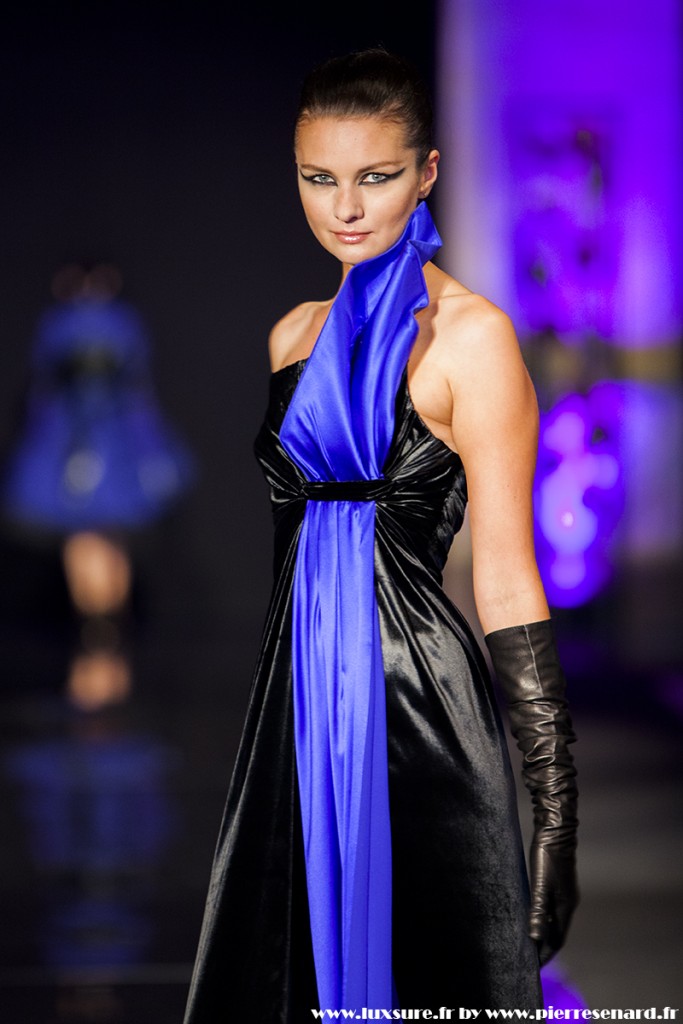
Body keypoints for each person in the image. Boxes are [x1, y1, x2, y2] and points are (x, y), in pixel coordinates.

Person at [183, 48, 578, 1021]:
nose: (345, 208)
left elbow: (504, 575)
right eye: (318, 178)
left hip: (416, 705)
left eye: (376, 176)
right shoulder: (291, 337)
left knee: (428, 972)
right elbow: (296, 558)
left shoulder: (472, 338)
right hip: (295, 702)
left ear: (427, 172)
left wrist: (554, 801)